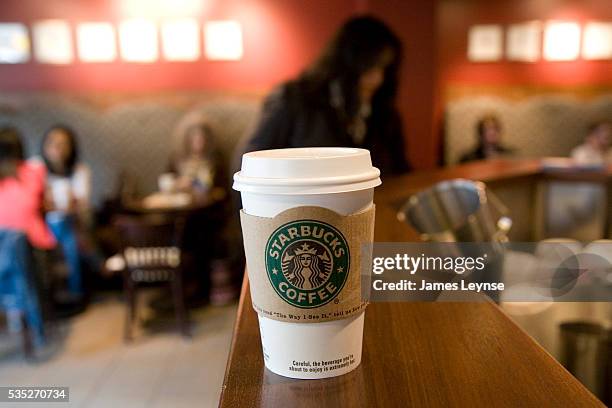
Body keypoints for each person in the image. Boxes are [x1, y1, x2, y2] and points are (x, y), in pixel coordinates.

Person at [239, 15, 410, 175]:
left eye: (384, 69)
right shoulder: (293, 99)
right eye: (370, 67)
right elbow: (249, 168)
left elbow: (401, 173)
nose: (378, 79)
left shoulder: (385, 114)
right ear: (347, 63)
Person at [40, 125, 92, 297]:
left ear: (71, 148)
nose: (57, 148)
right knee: (66, 233)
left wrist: (54, 204)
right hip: (43, 224)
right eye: (52, 143)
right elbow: (38, 204)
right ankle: (75, 287)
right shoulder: (37, 169)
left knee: (68, 230)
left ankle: (74, 292)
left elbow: (77, 205)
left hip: (72, 221)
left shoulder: (79, 170)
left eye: (63, 144)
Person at [0, 127, 55, 250]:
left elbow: (44, 206)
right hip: (29, 244)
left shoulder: (34, 171)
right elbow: (45, 206)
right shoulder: (34, 171)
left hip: (22, 245)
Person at [168, 120, 223, 201]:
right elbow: (169, 180)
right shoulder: (176, 159)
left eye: (202, 140)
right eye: (195, 140)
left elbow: (220, 189)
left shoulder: (216, 160)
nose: (200, 145)